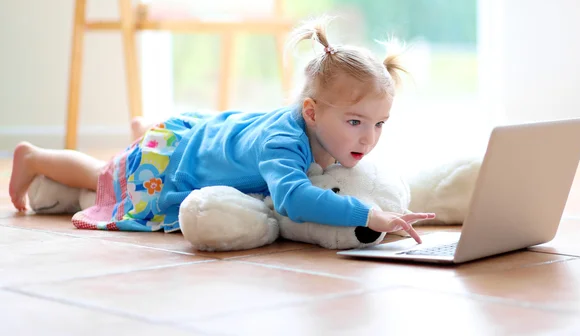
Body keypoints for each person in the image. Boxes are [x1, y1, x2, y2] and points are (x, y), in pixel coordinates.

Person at [9, 17, 435, 242]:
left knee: (152, 137)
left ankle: (145, 128)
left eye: (380, 124)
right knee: (100, 175)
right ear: (310, 111)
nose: (369, 138)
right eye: (356, 122)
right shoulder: (282, 144)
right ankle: (36, 157)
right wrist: (369, 214)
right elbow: (294, 199)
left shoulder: (312, 126)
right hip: (173, 157)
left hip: (199, 131)